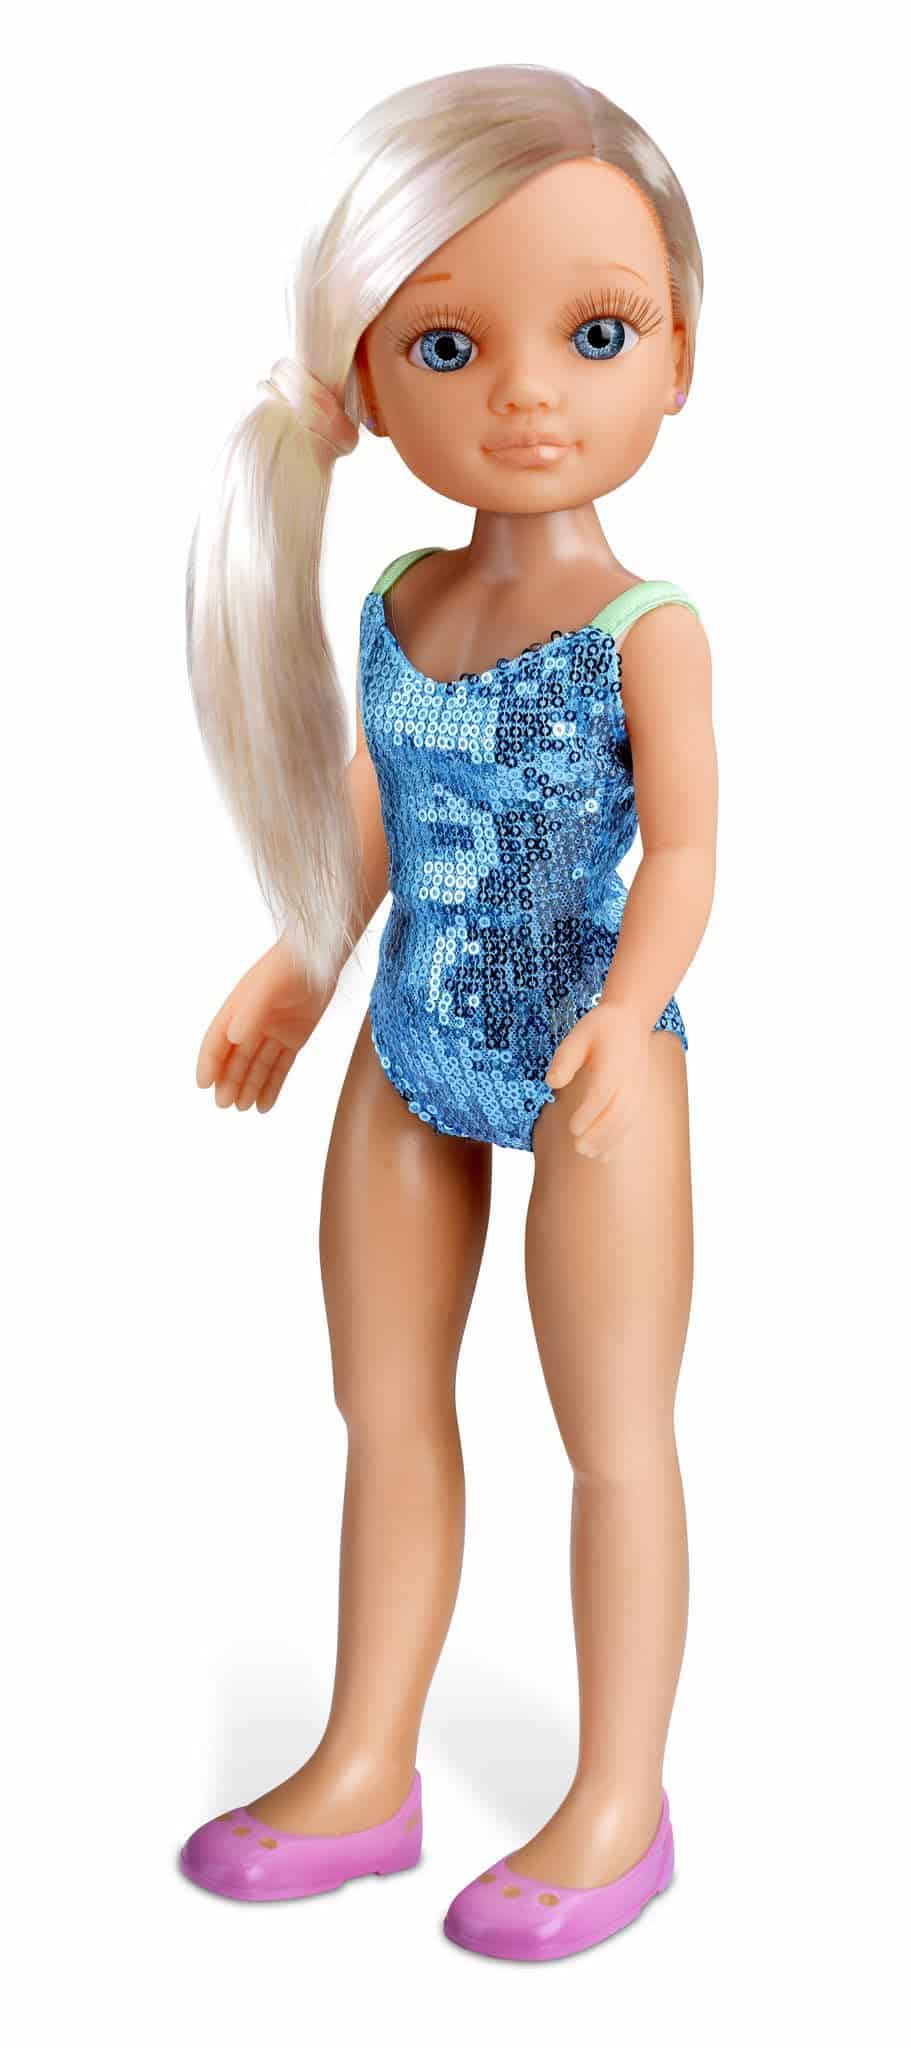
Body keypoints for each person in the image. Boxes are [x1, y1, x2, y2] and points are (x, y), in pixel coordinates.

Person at [179, 62, 717, 1963]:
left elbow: (685, 857)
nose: (525, 396)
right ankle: (367, 1763)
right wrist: (299, 958)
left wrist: (631, 1013)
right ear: (363, 378)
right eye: (447, 345)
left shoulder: (647, 630)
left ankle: (619, 1799)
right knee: (386, 1405)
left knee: (613, 1436)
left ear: (677, 354)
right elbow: (374, 811)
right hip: (409, 1049)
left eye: (595, 333)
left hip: (594, 1068)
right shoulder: (400, 598)